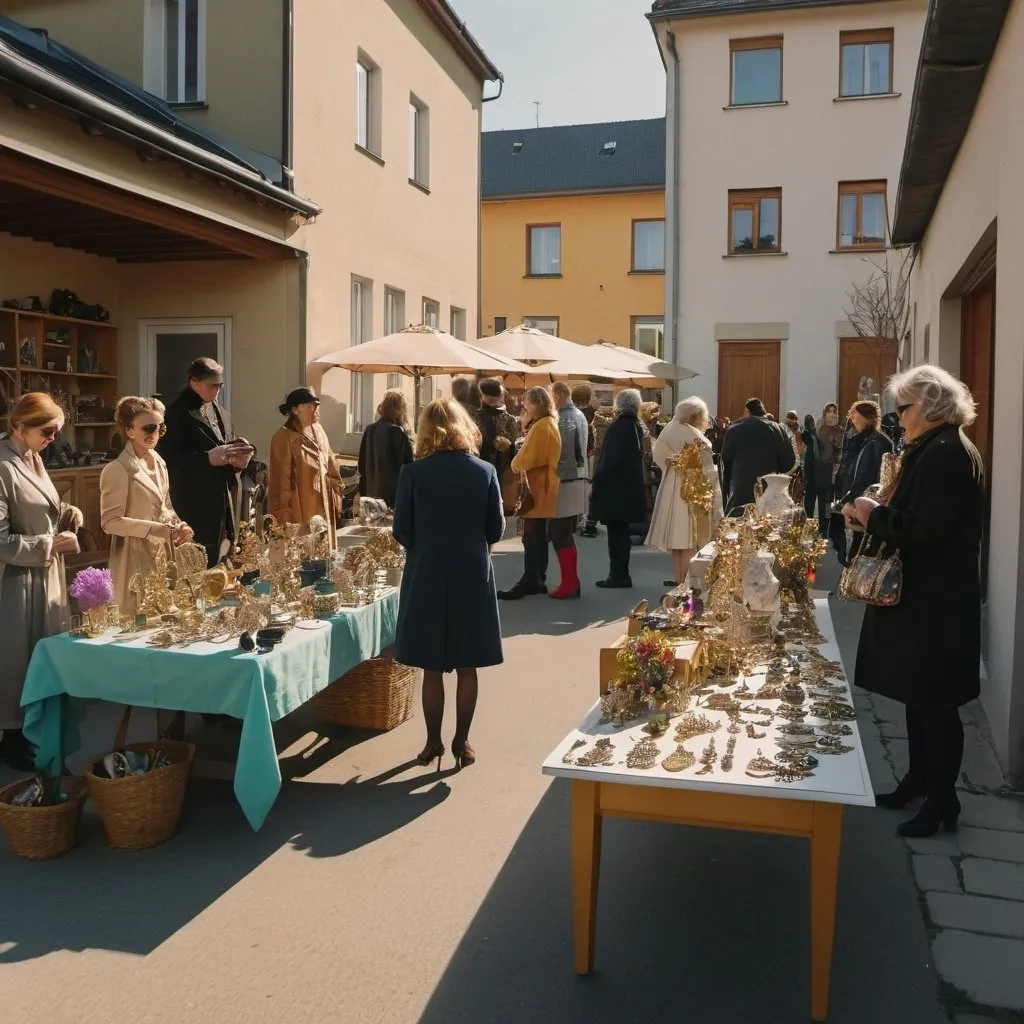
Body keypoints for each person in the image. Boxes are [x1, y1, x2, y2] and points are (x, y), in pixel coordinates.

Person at [850, 366, 983, 837]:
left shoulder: (947, 452)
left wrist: (873, 516)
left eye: (903, 408)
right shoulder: (935, 446)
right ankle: (918, 782)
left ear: (930, 405)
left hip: (937, 600)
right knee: (920, 695)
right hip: (925, 596)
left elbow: (921, 528)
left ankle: (943, 801)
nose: (897, 418)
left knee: (938, 703)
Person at [393, 399, 504, 770]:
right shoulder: (484, 470)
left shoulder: (414, 474)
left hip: (427, 570)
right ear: (463, 427)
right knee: (468, 663)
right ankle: (463, 740)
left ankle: (432, 742)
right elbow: (496, 529)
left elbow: (401, 531)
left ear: (425, 430)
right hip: (471, 570)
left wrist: (428, 545)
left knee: (432, 665)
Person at [0, 393, 80, 770]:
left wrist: (66, 511)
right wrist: (50, 542)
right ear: (18, 427)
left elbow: (36, 507)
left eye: (57, 432)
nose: (53, 439)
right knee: (18, 659)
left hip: (43, 573)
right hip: (16, 580)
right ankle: (13, 738)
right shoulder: (2, 465)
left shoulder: (31, 458)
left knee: (41, 654)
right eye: (47, 431)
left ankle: (37, 733)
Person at [100, 397, 192, 616]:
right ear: (129, 431)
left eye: (161, 428)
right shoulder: (117, 469)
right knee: (138, 617)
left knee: (167, 615)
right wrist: (152, 528)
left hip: (163, 554)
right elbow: (110, 522)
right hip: (133, 557)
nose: (155, 434)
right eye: (149, 428)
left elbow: (166, 505)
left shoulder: (158, 461)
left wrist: (180, 525)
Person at [159, 357, 254, 568]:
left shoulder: (219, 410)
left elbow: (227, 444)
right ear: (195, 382)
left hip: (225, 503)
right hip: (195, 505)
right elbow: (168, 460)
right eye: (213, 385)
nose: (217, 390)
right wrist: (207, 458)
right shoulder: (175, 414)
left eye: (220, 385)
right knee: (199, 565)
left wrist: (240, 454)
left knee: (225, 561)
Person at [646, 396, 723, 587]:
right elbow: (709, 471)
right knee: (688, 539)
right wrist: (717, 499)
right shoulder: (696, 437)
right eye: (704, 417)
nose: (706, 421)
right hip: (691, 493)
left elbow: (657, 456)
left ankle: (679, 581)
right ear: (697, 417)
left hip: (671, 487)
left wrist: (673, 469)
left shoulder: (670, 429)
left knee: (677, 542)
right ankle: (686, 587)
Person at [498, 386, 561, 600]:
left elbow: (526, 458)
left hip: (538, 486)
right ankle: (537, 578)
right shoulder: (549, 423)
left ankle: (531, 579)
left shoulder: (542, 426)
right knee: (538, 535)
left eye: (527, 404)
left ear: (537, 404)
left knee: (533, 535)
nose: (525, 407)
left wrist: (514, 461)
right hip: (544, 484)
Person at [269, 387, 343, 546]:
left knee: (324, 553)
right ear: (295, 410)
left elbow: (331, 465)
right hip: (300, 509)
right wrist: (284, 518)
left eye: (316, 404)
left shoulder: (319, 430)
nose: (315, 408)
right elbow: (281, 480)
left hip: (323, 506)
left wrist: (337, 495)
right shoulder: (283, 437)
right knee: (304, 555)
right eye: (309, 405)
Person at [589, 389, 648, 588]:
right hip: (628, 488)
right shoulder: (635, 425)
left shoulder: (620, 426)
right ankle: (619, 574)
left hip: (616, 490)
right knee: (620, 534)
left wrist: (596, 481)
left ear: (619, 404)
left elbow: (608, 460)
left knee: (617, 535)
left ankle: (618, 575)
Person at [834, 401, 892, 563]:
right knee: (853, 557)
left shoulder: (877, 443)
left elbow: (867, 478)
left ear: (867, 418)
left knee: (858, 558)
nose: (852, 419)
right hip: (859, 507)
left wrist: (849, 501)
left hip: (864, 510)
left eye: (855, 414)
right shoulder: (867, 441)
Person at [720, 398, 796, 514]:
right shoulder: (778, 429)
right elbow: (788, 462)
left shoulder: (734, 428)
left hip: (740, 491)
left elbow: (725, 461)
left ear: (747, 411)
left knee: (741, 528)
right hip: (769, 491)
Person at [549, 381, 588, 599]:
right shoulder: (579, 414)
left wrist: (556, 475)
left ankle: (569, 583)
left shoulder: (564, 417)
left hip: (566, 479)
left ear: (560, 395)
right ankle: (572, 580)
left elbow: (564, 451)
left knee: (559, 533)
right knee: (565, 533)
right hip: (578, 477)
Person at [356, 388, 414, 508]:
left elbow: (361, 465)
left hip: (371, 494)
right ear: (400, 409)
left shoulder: (369, 429)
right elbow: (409, 466)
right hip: (393, 497)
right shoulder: (398, 432)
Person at [476, 378, 519, 479]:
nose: (490, 397)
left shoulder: (472, 417)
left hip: (495, 469)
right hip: (489, 468)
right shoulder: (509, 419)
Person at [801, 412, 831, 536]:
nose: (811, 423)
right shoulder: (806, 434)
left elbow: (823, 446)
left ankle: (823, 525)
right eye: (809, 421)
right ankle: (808, 522)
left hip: (821, 469)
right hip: (811, 470)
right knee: (810, 498)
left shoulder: (817, 434)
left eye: (811, 420)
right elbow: (806, 441)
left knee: (822, 498)